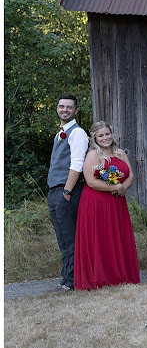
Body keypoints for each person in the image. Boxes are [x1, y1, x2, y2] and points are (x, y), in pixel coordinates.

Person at [74, 122, 140, 290]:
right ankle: (101, 277)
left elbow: (130, 174)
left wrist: (123, 187)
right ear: (95, 138)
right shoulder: (93, 155)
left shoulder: (120, 153)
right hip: (96, 202)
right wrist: (114, 187)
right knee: (101, 238)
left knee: (117, 236)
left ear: (112, 134)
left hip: (117, 202)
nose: (105, 138)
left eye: (107, 134)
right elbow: (91, 181)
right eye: (101, 135)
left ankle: (120, 274)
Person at [46, 94, 88, 292]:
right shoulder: (61, 132)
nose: (65, 110)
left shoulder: (77, 133)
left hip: (66, 191)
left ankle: (71, 282)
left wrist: (66, 191)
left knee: (69, 238)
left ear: (76, 111)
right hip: (55, 191)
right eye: (62, 106)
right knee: (62, 237)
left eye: (69, 107)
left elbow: (77, 164)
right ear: (57, 108)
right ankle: (66, 279)